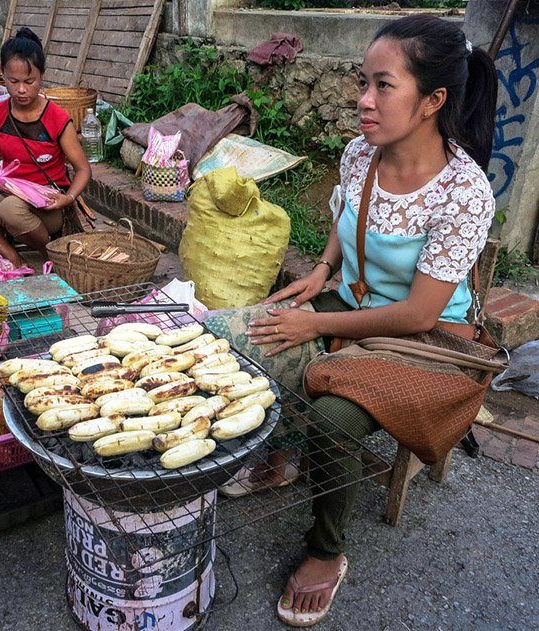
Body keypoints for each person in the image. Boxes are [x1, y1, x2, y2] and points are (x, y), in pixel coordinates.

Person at [207, 14, 497, 627]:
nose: (363, 101)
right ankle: (283, 455)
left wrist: (316, 326)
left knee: (332, 416)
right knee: (235, 334)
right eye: (363, 82)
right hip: (357, 303)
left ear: (433, 101)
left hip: (428, 342)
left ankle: (326, 550)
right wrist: (321, 271)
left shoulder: (464, 192)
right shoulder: (360, 154)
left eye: (382, 86)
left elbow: (420, 311)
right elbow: (347, 223)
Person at [0, 28, 92, 268]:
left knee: (10, 209)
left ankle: (50, 254)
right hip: (8, 199)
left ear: (41, 77)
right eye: (14, 82)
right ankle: (12, 255)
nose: (21, 89)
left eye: (29, 81)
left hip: (48, 207)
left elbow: (83, 169)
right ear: (3, 76)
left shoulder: (56, 118)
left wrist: (68, 198)